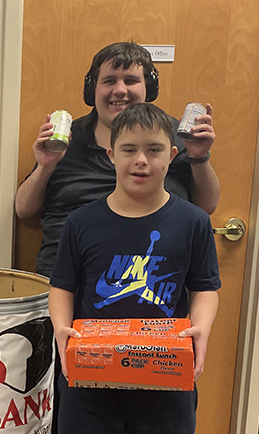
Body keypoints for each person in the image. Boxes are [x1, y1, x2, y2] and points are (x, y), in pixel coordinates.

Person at [49, 102, 221, 433]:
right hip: (89, 385)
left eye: (153, 149)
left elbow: (205, 287)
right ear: (111, 154)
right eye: (129, 149)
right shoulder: (81, 222)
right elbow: (62, 286)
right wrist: (61, 329)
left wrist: (201, 327)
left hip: (166, 386)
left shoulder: (194, 222)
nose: (141, 160)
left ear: (172, 155)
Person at [15, 41, 220, 278]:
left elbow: (206, 207)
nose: (120, 90)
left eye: (131, 80)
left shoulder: (173, 136)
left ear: (148, 87)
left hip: (150, 281)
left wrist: (200, 156)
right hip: (67, 280)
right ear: (93, 89)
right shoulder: (66, 138)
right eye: (110, 80)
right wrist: (45, 165)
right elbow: (24, 209)